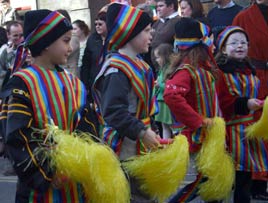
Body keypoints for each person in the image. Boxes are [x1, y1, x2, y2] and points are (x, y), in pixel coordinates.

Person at [0, 9, 97, 202]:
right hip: (41, 189)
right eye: (66, 40)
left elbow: (88, 125)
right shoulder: (21, 83)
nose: (70, 49)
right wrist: (47, 173)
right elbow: (18, 135)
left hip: (74, 182)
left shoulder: (75, 83)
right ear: (45, 43)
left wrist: (84, 158)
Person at [93, 3, 160, 202]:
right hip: (125, 150)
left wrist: (151, 129)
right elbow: (112, 112)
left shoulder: (141, 64)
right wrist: (141, 131)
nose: (151, 35)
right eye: (147, 30)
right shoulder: (117, 69)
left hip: (141, 145)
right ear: (130, 33)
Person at [163, 17, 221, 203]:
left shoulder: (201, 69)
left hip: (210, 136)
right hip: (198, 137)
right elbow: (171, 96)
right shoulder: (187, 71)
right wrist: (198, 120)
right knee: (203, 181)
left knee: (211, 180)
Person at [215, 25, 268, 203]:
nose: (240, 46)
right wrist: (245, 104)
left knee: (245, 175)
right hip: (229, 131)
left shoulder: (250, 69)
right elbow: (222, 102)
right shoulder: (220, 72)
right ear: (223, 48)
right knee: (227, 176)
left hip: (248, 129)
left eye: (244, 42)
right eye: (234, 42)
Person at [232, 0, 268, 200]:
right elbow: (232, 47)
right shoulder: (243, 17)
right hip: (256, 79)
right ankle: (258, 181)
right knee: (257, 128)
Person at [151, 0, 180, 72]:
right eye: (157, 6)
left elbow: (160, 39)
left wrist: (154, 34)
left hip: (169, 67)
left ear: (171, 6)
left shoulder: (177, 21)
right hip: (157, 66)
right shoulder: (158, 22)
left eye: (161, 6)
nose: (157, 9)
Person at [153, 43, 173, 139]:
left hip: (167, 102)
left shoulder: (170, 70)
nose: (156, 60)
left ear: (165, 56)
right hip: (160, 101)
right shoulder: (162, 69)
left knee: (171, 126)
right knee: (164, 126)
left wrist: (159, 85)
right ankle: (166, 146)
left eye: (158, 57)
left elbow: (171, 86)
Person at [0, 20, 23, 90]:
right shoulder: (4, 51)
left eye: (21, 35)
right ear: (8, 35)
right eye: (15, 35)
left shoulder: (28, 49)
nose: (19, 38)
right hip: (11, 90)